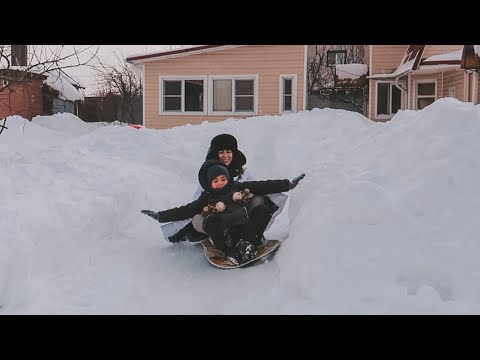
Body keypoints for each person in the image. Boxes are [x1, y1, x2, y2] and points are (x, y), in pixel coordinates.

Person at [142, 159, 305, 265]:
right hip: (226, 232)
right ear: (209, 184)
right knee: (212, 221)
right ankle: (228, 251)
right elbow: (186, 210)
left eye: (223, 179)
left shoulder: (238, 187)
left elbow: (263, 185)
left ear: (228, 177)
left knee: (262, 210)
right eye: (215, 181)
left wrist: (287, 184)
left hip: (244, 225)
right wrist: (161, 216)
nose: (220, 183)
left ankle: (247, 244)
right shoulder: (205, 198)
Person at [160, 134, 288, 243]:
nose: (225, 156)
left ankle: (252, 234)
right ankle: (223, 239)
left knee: (261, 198)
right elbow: (197, 203)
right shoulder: (208, 175)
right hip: (218, 218)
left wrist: (287, 185)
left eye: (228, 152)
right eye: (221, 152)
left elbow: (257, 187)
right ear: (215, 154)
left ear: (234, 153)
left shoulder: (243, 173)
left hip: (240, 215)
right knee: (197, 218)